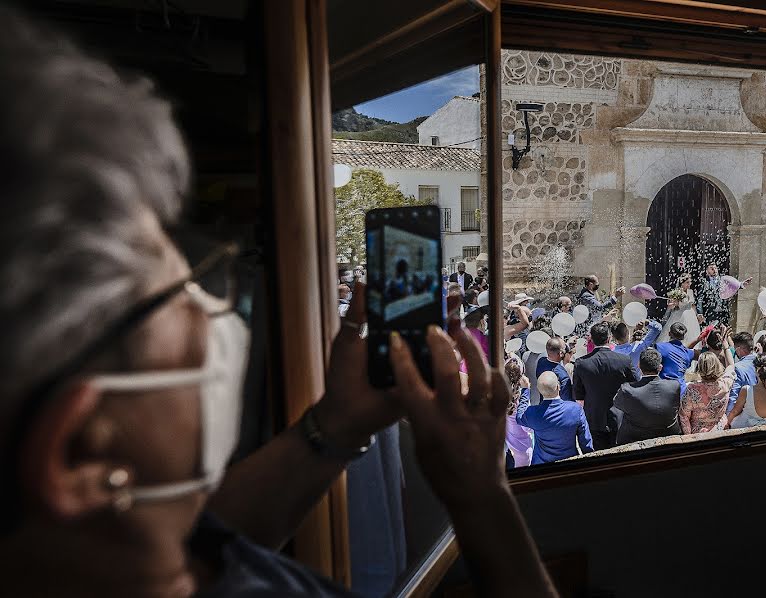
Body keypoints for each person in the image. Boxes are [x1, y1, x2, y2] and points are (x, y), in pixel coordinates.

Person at [0, 12, 560, 597]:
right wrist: (482, 495)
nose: (210, 316)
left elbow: (212, 535)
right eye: (178, 295)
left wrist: (337, 424)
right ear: (78, 453)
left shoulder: (106, 556)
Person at [572, 322, 638, 449]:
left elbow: (578, 396)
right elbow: (635, 385)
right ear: (609, 338)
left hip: (594, 417)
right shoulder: (624, 360)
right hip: (620, 416)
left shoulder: (581, 363)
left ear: (592, 339)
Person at [515, 372, 593, 464]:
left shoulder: (533, 413)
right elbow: (586, 442)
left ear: (539, 390)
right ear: (558, 387)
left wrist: (525, 390)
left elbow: (519, 416)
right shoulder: (575, 410)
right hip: (569, 466)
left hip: (541, 468)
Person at [613, 348, 682, 445]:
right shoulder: (674, 386)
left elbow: (616, 403)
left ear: (639, 366)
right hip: (669, 435)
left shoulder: (627, 389)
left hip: (636, 438)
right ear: (660, 367)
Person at [679, 352, 737, 434]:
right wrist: (726, 347)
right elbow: (731, 366)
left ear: (699, 368)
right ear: (717, 365)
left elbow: (684, 415)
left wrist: (688, 437)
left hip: (699, 434)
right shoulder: (725, 383)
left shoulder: (692, 389)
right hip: (721, 430)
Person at [727, 355, 766, 429]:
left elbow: (735, 411)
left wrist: (727, 423)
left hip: (744, 428)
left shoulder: (747, 390)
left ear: (756, 370)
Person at [656, 322, 702, 395]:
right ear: (683, 337)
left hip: (664, 389)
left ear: (669, 333)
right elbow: (684, 352)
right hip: (681, 390)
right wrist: (699, 340)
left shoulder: (660, 347)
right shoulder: (689, 353)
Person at [504, 357, 534, 469]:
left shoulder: (499, 392)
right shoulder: (522, 397)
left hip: (505, 445)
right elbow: (527, 427)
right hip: (521, 448)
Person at [659, 273, 702, 343]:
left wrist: (697, 315)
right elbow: (672, 306)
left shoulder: (691, 292)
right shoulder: (676, 292)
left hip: (690, 315)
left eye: (690, 282)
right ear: (682, 283)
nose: (689, 284)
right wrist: (674, 304)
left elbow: (692, 305)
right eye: (687, 282)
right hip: (679, 314)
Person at [536, 337, 573, 402]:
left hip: (543, 402)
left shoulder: (541, 361)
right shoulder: (563, 376)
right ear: (561, 353)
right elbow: (566, 400)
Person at [728, 331, 757, 415]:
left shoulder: (738, 368)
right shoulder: (762, 361)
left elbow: (733, 398)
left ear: (739, 349)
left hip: (745, 414)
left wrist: (728, 418)